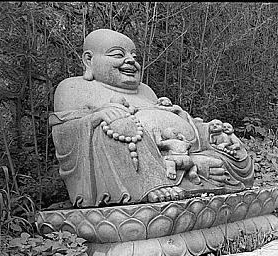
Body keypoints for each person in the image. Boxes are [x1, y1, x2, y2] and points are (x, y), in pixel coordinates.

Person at [50, 29, 253, 207]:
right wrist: (97, 117)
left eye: (134, 56)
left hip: (174, 151)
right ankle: (152, 184)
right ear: (88, 60)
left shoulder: (145, 90)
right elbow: (65, 133)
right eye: (118, 54)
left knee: (230, 144)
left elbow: (172, 120)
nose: (131, 60)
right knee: (118, 127)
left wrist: (208, 131)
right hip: (134, 161)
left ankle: (192, 166)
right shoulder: (74, 88)